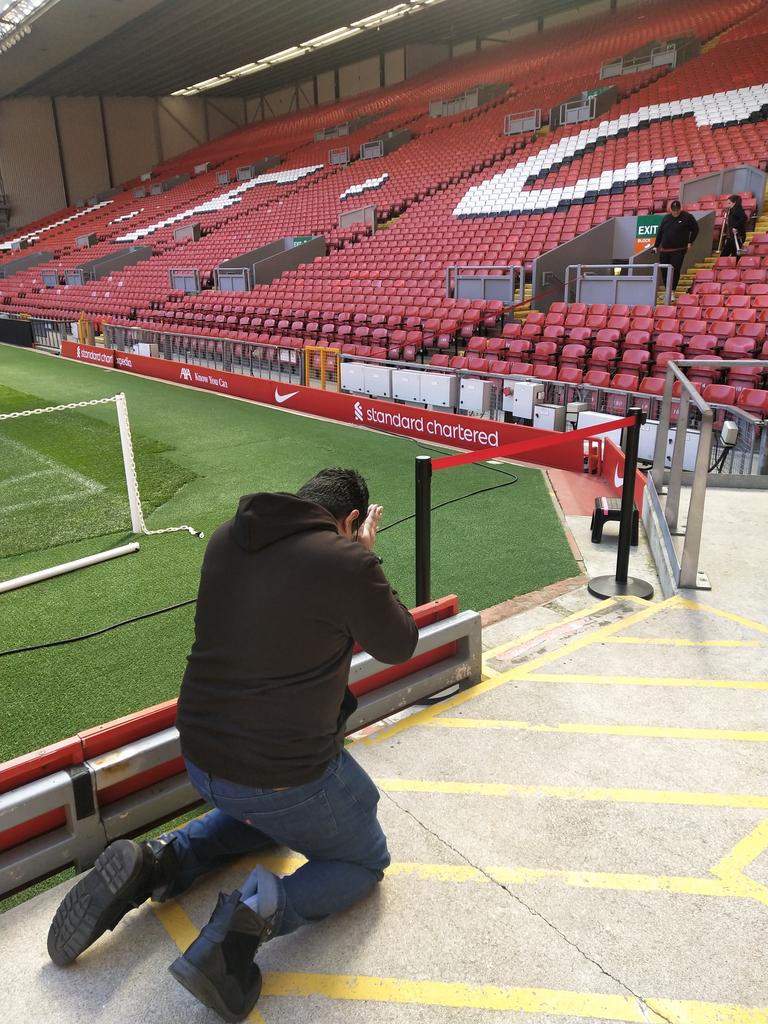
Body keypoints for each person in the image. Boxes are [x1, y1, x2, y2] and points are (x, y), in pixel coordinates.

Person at [47, 468, 418, 1022]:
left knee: (281, 818)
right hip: (282, 773)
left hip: (201, 760)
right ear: (350, 521)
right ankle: (246, 920)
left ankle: (161, 860)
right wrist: (366, 556)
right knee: (364, 860)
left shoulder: (226, 537)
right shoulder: (346, 561)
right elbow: (400, 643)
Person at [650, 199, 699, 291]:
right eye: (674, 210)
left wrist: (690, 241)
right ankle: (667, 289)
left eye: (677, 210)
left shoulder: (688, 217)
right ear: (670, 209)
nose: (675, 212)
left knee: (675, 269)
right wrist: (656, 246)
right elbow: (660, 232)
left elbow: (695, 229)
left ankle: (672, 290)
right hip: (665, 250)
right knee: (664, 270)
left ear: (680, 209)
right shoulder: (666, 218)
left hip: (679, 249)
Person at [721, 194, 748, 258]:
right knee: (734, 255)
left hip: (736, 236)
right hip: (732, 236)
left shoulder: (737, 210)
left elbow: (744, 218)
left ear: (735, 202)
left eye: (729, 203)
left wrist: (735, 227)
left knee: (725, 255)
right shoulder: (733, 210)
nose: (728, 205)